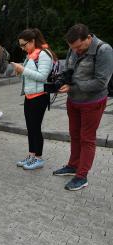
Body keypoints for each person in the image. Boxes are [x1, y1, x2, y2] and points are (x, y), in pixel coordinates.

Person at [53, 24, 113, 191]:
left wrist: (73, 86)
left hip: (92, 102)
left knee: (87, 138)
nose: (76, 51)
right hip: (73, 101)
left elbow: (102, 82)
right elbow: (68, 69)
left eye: (79, 47)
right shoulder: (74, 48)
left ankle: (82, 176)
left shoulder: (104, 50)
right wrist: (63, 80)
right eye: (73, 48)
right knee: (74, 135)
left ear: (89, 38)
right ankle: (73, 166)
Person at [11, 29, 56, 170]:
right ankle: (31, 155)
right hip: (29, 96)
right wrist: (20, 71)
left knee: (35, 128)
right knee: (30, 128)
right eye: (21, 46)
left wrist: (22, 70)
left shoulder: (44, 54)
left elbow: (42, 76)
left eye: (24, 45)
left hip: (40, 97)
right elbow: (30, 76)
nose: (23, 48)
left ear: (32, 41)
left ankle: (38, 158)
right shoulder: (31, 55)